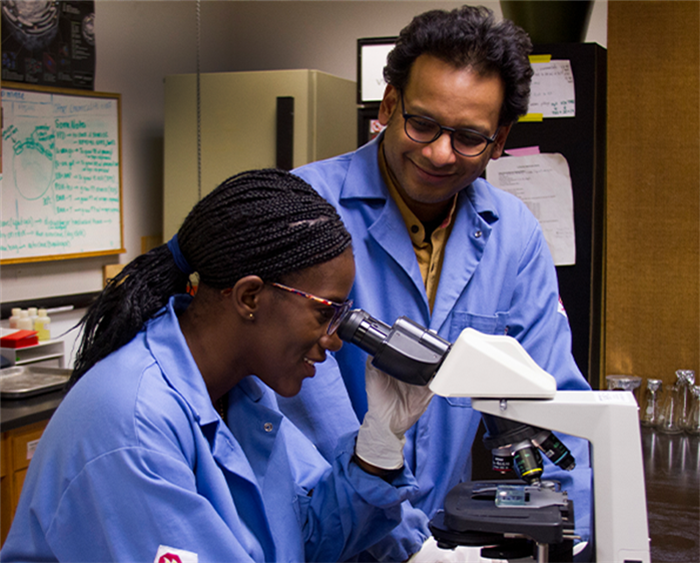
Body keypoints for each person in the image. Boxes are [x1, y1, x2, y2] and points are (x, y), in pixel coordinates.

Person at [276, 6, 593, 562]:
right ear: (389, 106)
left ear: (500, 140)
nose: (439, 153)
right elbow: (307, 416)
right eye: (422, 123)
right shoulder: (308, 209)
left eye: (470, 137)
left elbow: (550, 407)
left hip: (448, 536)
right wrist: (411, 549)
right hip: (326, 530)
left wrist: (574, 531)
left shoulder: (512, 235)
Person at [0, 169, 435, 563]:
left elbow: (310, 536)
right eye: (326, 313)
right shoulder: (133, 425)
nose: (335, 340)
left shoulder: (242, 396)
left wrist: (380, 440)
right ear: (250, 297)